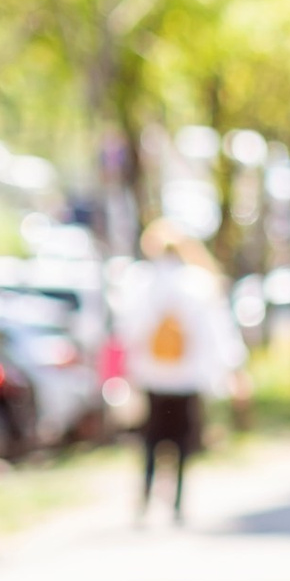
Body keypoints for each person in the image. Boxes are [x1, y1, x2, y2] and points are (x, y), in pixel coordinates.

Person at [117, 220, 245, 519]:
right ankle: (177, 504)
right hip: (188, 377)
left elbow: (128, 330)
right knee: (182, 441)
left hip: (152, 375)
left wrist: (126, 372)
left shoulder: (141, 281)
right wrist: (230, 371)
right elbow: (218, 331)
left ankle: (145, 500)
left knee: (150, 440)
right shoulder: (199, 282)